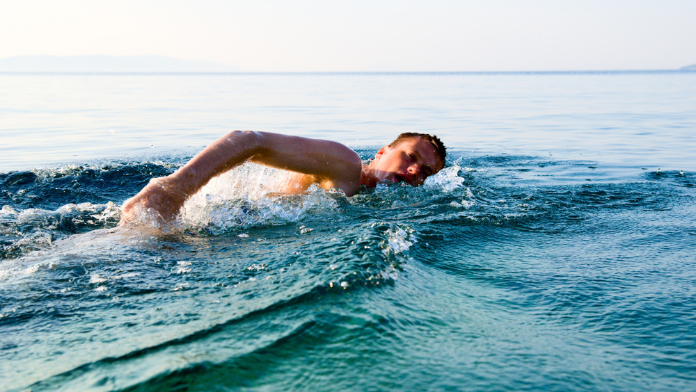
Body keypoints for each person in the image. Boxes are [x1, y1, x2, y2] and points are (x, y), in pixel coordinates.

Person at [120, 131, 446, 223]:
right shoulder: (345, 165)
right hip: (228, 220)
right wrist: (172, 190)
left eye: (426, 171)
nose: (416, 169)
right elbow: (249, 140)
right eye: (410, 156)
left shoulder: (388, 204)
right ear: (381, 152)